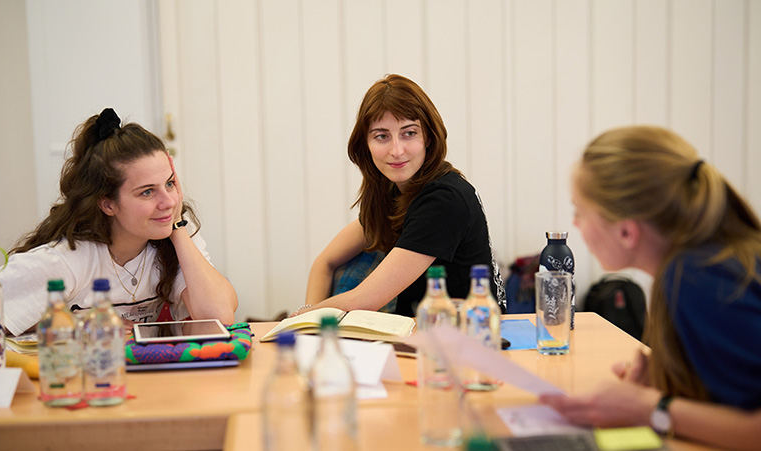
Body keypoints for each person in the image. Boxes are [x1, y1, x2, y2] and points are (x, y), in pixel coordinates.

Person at [539, 126, 761, 450]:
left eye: (579, 212)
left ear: (626, 233)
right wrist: (668, 380)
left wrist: (647, 408)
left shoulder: (697, 278)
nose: (575, 224)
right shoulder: (708, 263)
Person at [0, 108, 238, 336]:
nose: (169, 202)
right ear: (108, 204)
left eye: (169, 183)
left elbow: (219, 317)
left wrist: (177, 229)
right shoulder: (66, 259)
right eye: (147, 192)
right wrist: (76, 324)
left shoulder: (174, 233)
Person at [299, 74, 504, 318]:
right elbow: (325, 263)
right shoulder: (394, 192)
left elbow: (363, 301)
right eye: (382, 136)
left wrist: (299, 321)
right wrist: (309, 321)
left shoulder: (444, 199)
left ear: (428, 137)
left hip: (470, 334)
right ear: (365, 144)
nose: (396, 150)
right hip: (420, 330)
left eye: (409, 133)